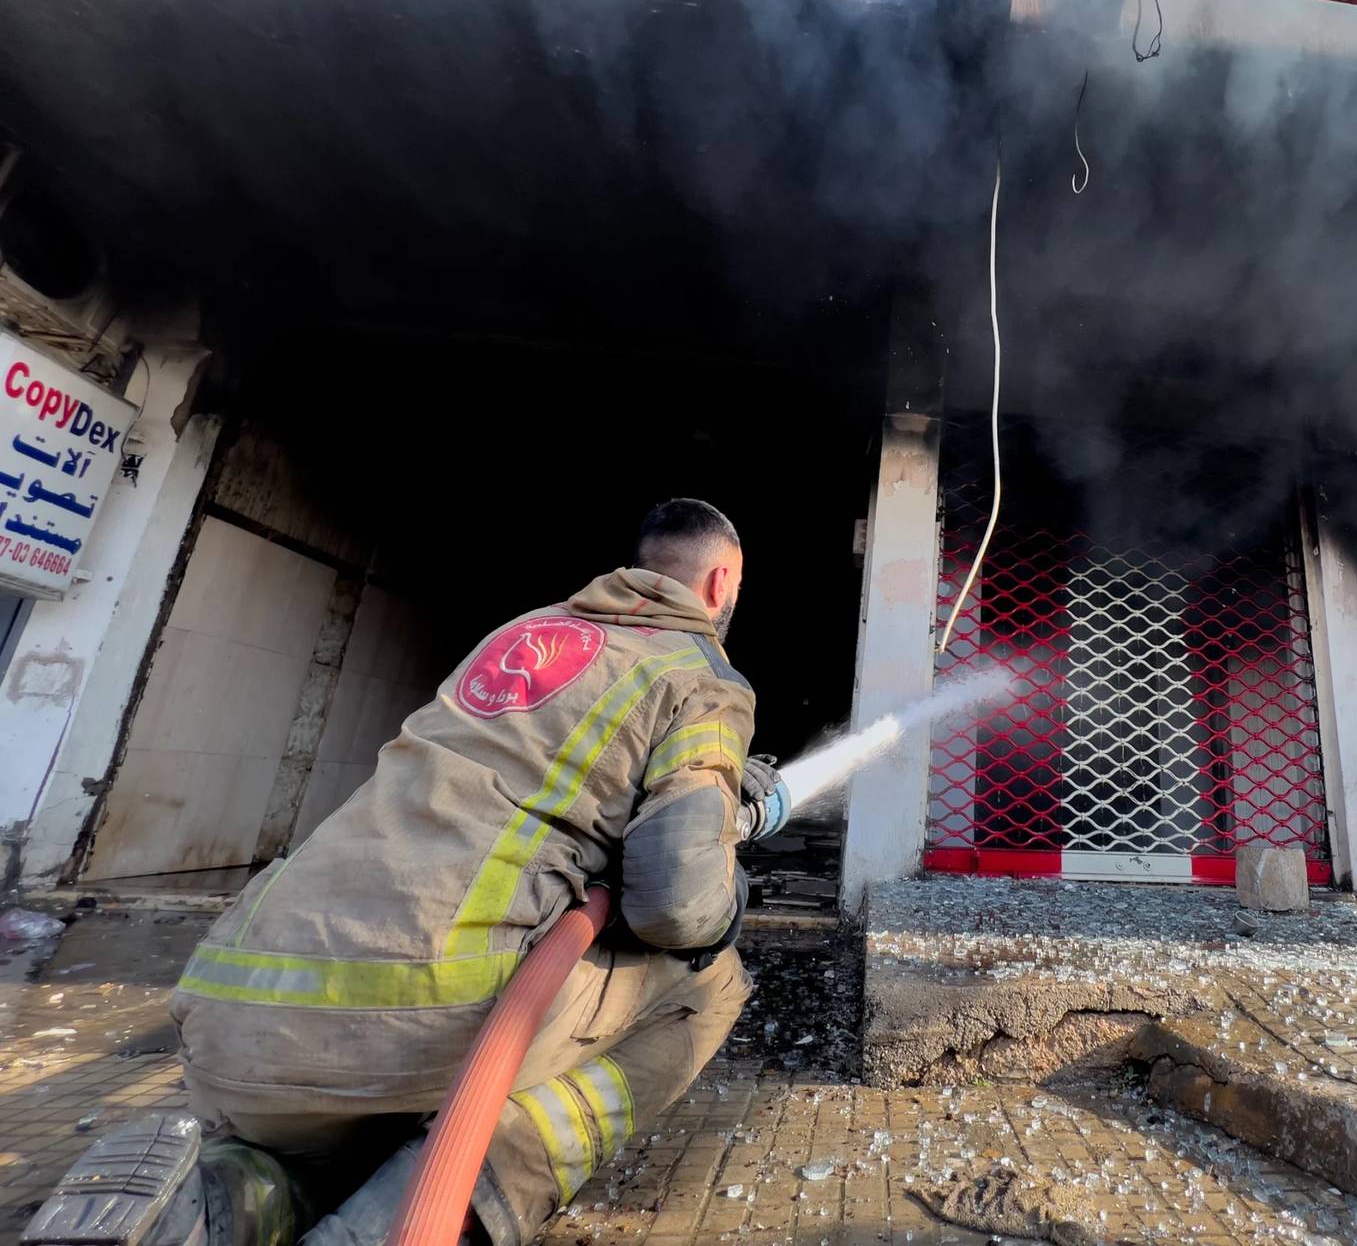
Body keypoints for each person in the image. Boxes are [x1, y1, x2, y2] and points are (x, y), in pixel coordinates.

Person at [27, 499, 791, 1246]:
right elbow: (673, 905)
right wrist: (722, 894)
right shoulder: (701, 674)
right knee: (710, 983)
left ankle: (213, 1203)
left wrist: (715, 795)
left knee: (316, 1142)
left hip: (233, 1018)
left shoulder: (525, 631)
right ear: (722, 584)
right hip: (421, 1014)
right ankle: (442, 1207)